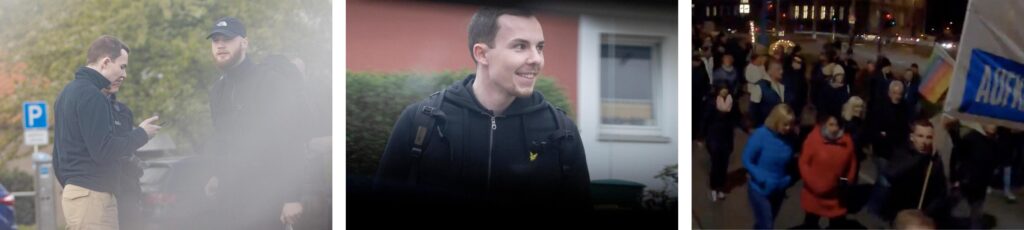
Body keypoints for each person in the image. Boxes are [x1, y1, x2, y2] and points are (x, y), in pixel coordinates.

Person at [373, 7, 591, 220]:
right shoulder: (420, 122)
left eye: (540, 47)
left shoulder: (561, 132)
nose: (537, 59)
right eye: (520, 46)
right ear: (482, 54)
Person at [203, 16, 314, 229]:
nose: (220, 45)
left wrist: (292, 197)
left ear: (244, 43)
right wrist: (216, 174)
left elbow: (292, 140)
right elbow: (222, 139)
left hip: (268, 196)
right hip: (231, 198)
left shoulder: (269, 82)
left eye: (227, 39)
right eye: (215, 40)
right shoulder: (217, 91)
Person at [54, 35, 160, 230]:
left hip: (77, 196)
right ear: (106, 62)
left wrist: (75, 186)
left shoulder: (66, 93)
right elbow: (104, 150)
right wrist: (142, 134)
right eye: (122, 66)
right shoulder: (93, 96)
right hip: (93, 197)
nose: (124, 74)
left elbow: (57, 158)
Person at [879, 119, 948, 223]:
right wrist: (920, 158)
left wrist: (926, 212)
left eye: (928, 137)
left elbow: (940, 192)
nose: (924, 141)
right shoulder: (903, 152)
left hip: (918, 213)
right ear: (912, 137)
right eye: (920, 136)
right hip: (897, 211)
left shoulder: (934, 162)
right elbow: (892, 174)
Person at [796, 114, 857, 229]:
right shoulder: (813, 139)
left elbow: (851, 164)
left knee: (837, 224)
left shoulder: (847, 141)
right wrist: (814, 185)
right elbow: (803, 163)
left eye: (837, 125)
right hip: (814, 194)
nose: (834, 129)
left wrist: (845, 181)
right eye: (831, 125)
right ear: (824, 125)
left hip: (836, 195)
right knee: (811, 223)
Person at [743, 104, 798, 229]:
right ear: (776, 121)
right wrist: (760, 177)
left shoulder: (791, 137)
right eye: (785, 124)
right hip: (759, 189)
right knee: (767, 225)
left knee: (766, 221)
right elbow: (746, 159)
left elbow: (792, 160)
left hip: (779, 188)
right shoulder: (760, 135)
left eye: (791, 124)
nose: (789, 128)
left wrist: (788, 179)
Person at [946, 119, 1002, 228]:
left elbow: (995, 161)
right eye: (990, 122)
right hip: (965, 181)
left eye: (995, 124)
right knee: (949, 207)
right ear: (983, 124)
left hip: (980, 185)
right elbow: (958, 152)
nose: (993, 126)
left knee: (976, 215)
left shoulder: (995, 142)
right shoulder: (972, 137)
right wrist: (955, 178)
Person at [703, 84, 737, 202]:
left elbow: (737, 117)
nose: (724, 91)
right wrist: (701, 137)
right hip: (714, 137)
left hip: (726, 137)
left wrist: (747, 127)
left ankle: (721, 187)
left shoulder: (732, 102)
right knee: (716, 165)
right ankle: (713, 188)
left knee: (724, 165)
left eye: (726, 89)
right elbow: (705, 120)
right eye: (722, 88)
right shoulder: (712, 103)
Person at [750, 60, 795, 128]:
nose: (781, 72)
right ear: (769, 71)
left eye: (782, 69)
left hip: (783, 128)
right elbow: (753, 110)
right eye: (778, 69)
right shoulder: (760, 86)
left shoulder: (784, 86)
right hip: (766, 127)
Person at [842, 96, 868, 170]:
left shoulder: (861, 123)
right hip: (846, 156)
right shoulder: (846, 124)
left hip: (856, 156)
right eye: (856, 107)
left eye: (861, 107)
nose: (859, 110)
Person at [695, 55, 712, 140]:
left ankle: (698, 133)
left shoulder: (699, 72)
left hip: (697, 97)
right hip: (699, 97)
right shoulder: (702, 71)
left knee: (698, 116)